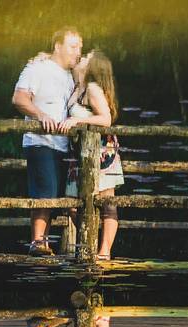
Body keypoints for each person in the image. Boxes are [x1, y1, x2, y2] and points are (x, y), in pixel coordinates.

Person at [12, 28, 82, 257]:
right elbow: (19, 98)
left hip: (64, 145)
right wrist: (40, 115)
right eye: (73, 46)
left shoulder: (72, 75)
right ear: (58, 46)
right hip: (41, 141)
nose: (78, 52)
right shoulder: (37, 68)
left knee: (68, 196)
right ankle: (37, 242)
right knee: (46, 191)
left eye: (80, 47)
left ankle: (68, 245)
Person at [59, 51, 123, 259]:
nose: (81, 58)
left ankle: (104, 252)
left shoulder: (93, 88)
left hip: (101, 151)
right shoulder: (79, 87)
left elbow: (105, 119)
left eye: (86, 57)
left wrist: (78, 122)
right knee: (72, 203)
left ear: (93, 67)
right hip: (79, 154)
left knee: (106, 201)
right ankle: (91, 245)